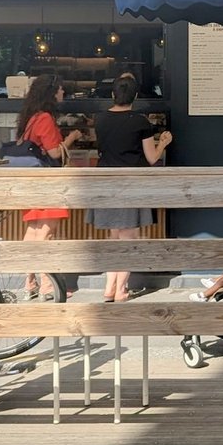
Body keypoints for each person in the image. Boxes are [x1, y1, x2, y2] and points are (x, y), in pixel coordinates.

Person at [91, 74, 172, 303]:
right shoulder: (140, 122)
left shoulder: (100, 119)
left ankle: (109, 288)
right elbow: (151, 157)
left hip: (105, 181)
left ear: (112, 94)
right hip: (130, 184)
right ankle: (120, 289)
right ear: (135, 96)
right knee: (129, 237)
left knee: (114, 236)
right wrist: (163, 143)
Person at [17, 74, 82, 299]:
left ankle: (30, 282)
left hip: (32, 181)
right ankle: (47, 285)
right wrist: (72, 137)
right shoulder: (45, 118)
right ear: (51, 93)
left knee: (33, 230)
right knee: (46, 232)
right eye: (60, 89)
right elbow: (54, 153)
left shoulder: (30, 118)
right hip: (47, 182)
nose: (63, 92)